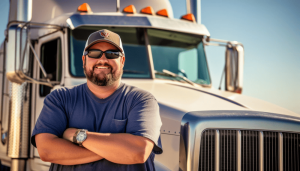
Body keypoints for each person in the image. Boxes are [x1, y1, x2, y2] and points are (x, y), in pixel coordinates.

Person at [31, 29, 163, 171]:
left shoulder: (141, 100)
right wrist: (116, 151)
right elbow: (46, 150)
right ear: (84, 60)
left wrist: (77, 135)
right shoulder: (60, 98)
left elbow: (139, 151)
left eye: (112, 54)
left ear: (122, 61)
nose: (102, 60)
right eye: (94, 53)